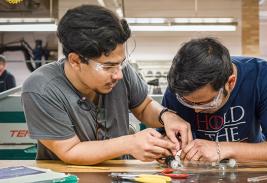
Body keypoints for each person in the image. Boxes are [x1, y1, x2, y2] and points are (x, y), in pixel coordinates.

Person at [21, 5, 191, 165]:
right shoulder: (41, 89)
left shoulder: (121, 71)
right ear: (76, 61)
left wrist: (166, 116)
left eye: (121, 64)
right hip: (67, 177)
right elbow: (69, 151)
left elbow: (144, 106)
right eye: (108, 66)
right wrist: (130, 143)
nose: (119, 74)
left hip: (116, 175)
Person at [162, 37, 267, 167]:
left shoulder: (263, 77)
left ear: (230, 83)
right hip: (194, 172)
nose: (196, 110)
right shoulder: (179, 88)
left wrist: (221, 149)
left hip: (250, 168)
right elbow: (165, 144)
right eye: (187, 103)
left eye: (206, 103)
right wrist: (164, 146)